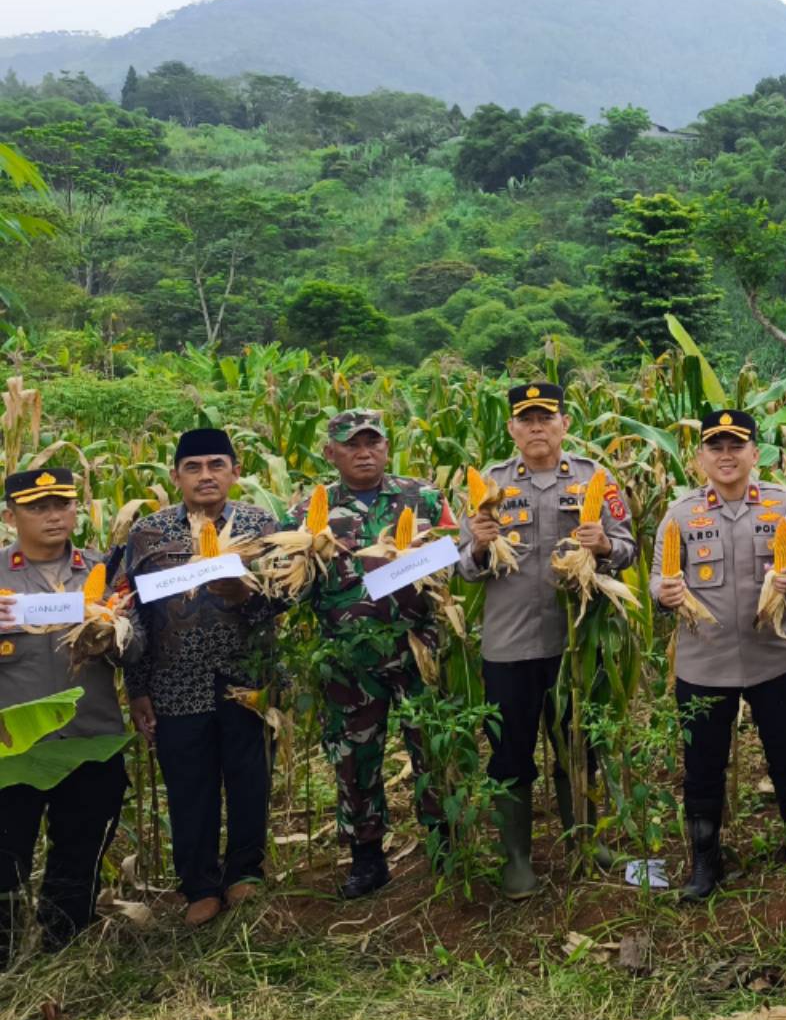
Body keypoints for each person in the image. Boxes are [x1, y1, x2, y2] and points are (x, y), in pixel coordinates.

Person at [456, 381, 636, 900]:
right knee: (509, 754)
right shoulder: (488, 483)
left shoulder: (594, 479)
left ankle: (584, 840)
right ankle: (516, 858)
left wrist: (605, 545)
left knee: (577, 745)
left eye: (546, 417)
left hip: (575, 642)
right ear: (511, 428)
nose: (537, 426)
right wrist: (481, 547)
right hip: (508, 646)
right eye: (526, 418)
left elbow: (627, 547)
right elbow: (465, 569)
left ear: (564, 424)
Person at [291, 410, 456, 899]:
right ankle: (367, 858)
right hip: (348, 658)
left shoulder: (423, 496)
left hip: (418, 646)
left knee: (432, 747)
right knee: (354, 759)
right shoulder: (308, 510)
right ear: (331, 453)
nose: (365, 452)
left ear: (387, 447)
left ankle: (443, 844)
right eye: (352, 444)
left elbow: (455, 556)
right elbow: (289, 581)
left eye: (373, 443)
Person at [123, 428, 283, 926]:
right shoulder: (149, 534)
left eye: (217, 464)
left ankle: (245, 872)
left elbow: (285, 599)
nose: (206, 475)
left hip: (247, 676)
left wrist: (244, 596)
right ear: (175, 476)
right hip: (176, 681)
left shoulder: (261, 524)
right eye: (193, 467)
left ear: (236, 471)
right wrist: (138, 688)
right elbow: (131, 616)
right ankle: (199, 885)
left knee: (249, 775)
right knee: (188, 784)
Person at [651, 409, 786, 901]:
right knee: (702, 764)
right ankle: (705, 861)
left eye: (735, 445)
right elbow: (658, 576)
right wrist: (665, 595)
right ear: (700, 456)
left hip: (772, 658)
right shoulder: (680, 514)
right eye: (715, 446)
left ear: (753, 453)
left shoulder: (784, 504)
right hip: (705, 663)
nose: (725, 455)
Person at [0, 468, 126, 959]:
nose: (54, 515)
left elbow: (136, 652)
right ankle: (7, 958)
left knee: (79, 857)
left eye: (63, 504)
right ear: (11, 516)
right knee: (4, 859)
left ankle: (63, 954)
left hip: (90, 739)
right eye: (37, 507)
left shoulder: (103, 570)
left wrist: (117, 634)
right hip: (14, 748)